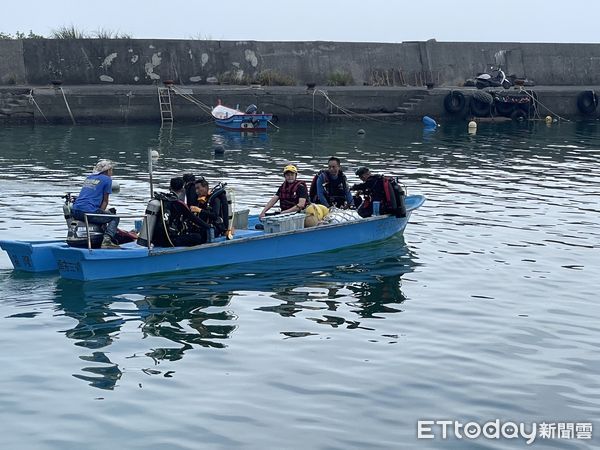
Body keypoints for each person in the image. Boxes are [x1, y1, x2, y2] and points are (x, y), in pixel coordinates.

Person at [72, 159, 121, 249]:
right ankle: (107, 240)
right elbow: (105, 201)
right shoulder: (107, 179)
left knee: (102, 214)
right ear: (108, 171)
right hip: (87, 211)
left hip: (75, 210)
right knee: (114, 218)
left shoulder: (89, 178)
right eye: (111, 170)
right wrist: (102, 213)